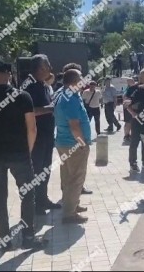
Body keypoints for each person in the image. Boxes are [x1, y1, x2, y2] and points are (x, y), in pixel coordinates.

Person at [0, 60, 46, 249]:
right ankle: (28, 237)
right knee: (28, 194)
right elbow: (32, 128)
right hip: (19, 153)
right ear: (8, 74)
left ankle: (5, 239)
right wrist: (27, 151)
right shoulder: (22, 96)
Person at [54, 65, 92, 224]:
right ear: (74, 81)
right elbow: (74, 125)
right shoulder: (69, 99)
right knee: (75, 178)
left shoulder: (67, 95)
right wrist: (82, 143)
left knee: (68, 177)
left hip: (65, 142)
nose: (83, 80)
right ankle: (69, 214)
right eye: (81, 77)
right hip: (73, 144)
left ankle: (72, 205)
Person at [25, 54, 61, 216]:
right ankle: (36, 204)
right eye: (47, 66)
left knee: (45, 170)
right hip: (36, 138)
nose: (50, 69)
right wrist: (50, 108)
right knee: (37, 171)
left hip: (46, 136)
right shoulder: (30, 87)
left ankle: (43, 199)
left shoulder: (43, 85)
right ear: (39, 68)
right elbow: (29, 112)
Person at [126, 69, 144, 175]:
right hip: (136, 118)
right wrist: (133, 114)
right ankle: (133, 162)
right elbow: (126, 103)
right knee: (134, 141)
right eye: (143, 75)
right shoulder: (133, 88)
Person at [122, 78, 136, 142]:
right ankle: (126, 135)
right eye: (128, 81)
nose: (130, 82)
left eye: (131, 81)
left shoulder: (135, 88)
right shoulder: (128, 89)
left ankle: (130, 135)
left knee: (132, 122)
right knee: (128, 122)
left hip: (133, 107)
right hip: (128, 107)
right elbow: (124, 97)